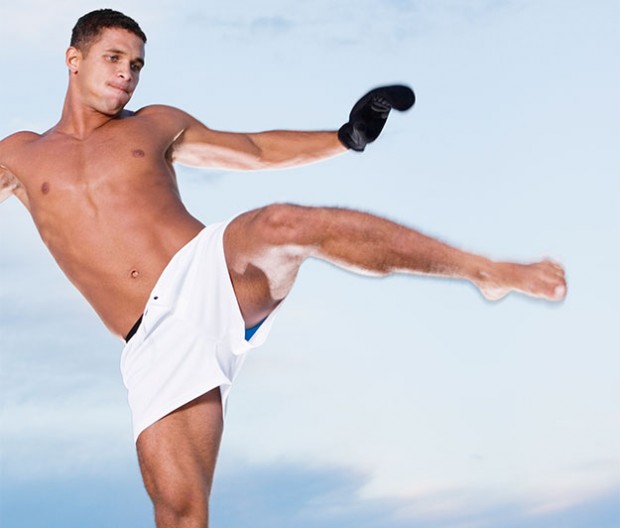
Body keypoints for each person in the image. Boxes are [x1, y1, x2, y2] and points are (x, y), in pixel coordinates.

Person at [0, 8, 566, 528]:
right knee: (179, 513)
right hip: (149, 340)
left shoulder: (152, 124)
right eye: (115, 59)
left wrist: (346, 138)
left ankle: (482, 269)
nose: (128, 74)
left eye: (138, 65)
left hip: (207, 271)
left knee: (285, 224)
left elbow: (252, 148)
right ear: (73, 60)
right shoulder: (19, 154)